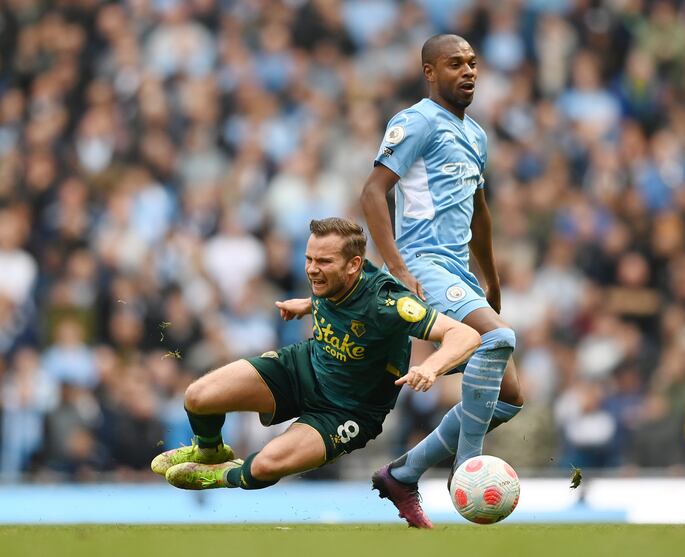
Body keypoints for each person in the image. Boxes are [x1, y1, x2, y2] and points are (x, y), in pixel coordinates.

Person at [150, 218, 481, 494]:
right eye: (309, 259)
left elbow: (465, 334)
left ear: (353, 265)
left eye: (323, 262)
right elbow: (340, 302)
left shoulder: (388, 302)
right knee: (198, 396)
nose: (312, 269)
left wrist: (432, 367)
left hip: (347, 411)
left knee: (264, 466)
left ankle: (221, 474)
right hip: (306, 367)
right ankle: (209, 451)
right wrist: (307, 305)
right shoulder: (332, 278)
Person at [361, 34, 523, 528]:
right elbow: (372, 193)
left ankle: (403, 474)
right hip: (421, 261)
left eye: (473, 63)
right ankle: (466, 471)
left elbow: (478, 212)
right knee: (497, 337)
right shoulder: (415, 122)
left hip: (459, 271)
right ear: (430, 72)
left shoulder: (475, 135)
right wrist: (398, 269)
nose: (469, 71)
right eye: (455, 64)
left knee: (509, 399)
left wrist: (490, 279)